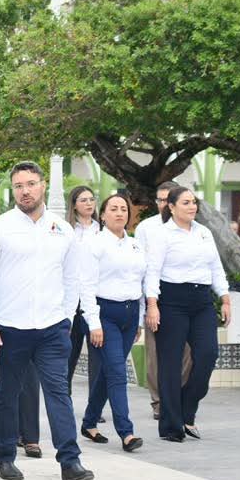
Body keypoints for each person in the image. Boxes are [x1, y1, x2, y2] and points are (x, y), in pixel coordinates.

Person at [0, 161, 96, 480]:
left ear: (43, 185)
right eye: (18, 186)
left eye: (30, 184)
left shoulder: (63, 229)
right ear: (12, 190)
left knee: (58, 392)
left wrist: (66, 318)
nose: (25, 191)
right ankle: (5, 458)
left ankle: (70, 462)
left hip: (52, 328)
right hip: (9, 328)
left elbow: (72, 279)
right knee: (7, 393)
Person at [145, 186, 230, 442]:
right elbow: (152, 271)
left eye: (194, 202)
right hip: (171, 301)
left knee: (208, 354)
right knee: (170, 365)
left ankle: (187, 407)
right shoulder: (162, 234)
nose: (192, 206)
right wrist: (152, 305)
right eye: (186, 202)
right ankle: (171, 426)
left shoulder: (204, 232)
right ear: (171, 207)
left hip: (202, 301)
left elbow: (216, 267)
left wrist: (225, 298)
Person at [80, 194, 144, 452]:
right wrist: (93, 323)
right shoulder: (94, 244)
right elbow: (86, 286)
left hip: (130, 314)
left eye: (123, 209)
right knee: (118, 371)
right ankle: (126, 433)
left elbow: (140, 282)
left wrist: (140, 319)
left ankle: (89, 422)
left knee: (109, 371)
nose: (119, 213)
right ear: (103, 215)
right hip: (104, 313)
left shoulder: (136, 245)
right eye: (113, 209)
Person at [134, 181, 191, 420]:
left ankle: (179, 397)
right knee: (155, 353)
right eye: (160, 200)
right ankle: (159, 401)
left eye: (168, 199)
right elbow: (140, 266)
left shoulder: (193, 228)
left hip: (185, 298)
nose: (164, 204)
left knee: (188, 352)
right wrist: (147, 304)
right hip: (154, 296)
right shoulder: (146, 228)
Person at [65, 186, 102, 391]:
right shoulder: (66, 231)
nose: (89, 203)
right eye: (83, 200)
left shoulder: (102, 230)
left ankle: (94, 405)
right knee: (69, 355)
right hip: (71, 300)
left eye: (91, 199)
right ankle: (65, 401)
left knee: (97, 358)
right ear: (74, 205)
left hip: (96, 299)